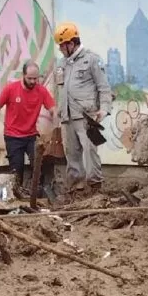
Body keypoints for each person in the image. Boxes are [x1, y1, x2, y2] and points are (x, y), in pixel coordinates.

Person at [54, 22, 112, 195]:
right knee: (71, 153)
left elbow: (104, 87)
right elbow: (61, 87)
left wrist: (104, 109)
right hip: (67, 115)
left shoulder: (92, 59)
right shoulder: (62, 63)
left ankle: (95, 188)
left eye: (62, 46)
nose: (61, 50)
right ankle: (76, 189)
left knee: (89, 152)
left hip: (86, 116)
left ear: (72, 43)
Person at [0, 61, 55, 197]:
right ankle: (16, 198)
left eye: (36, 78)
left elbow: (53, 109)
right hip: (13, 137)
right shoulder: (11, 89)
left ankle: (37, 196)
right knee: (17, 170)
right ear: (23, 75)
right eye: (30, 78)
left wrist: (58, 119)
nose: (33, 81)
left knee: (38, 165)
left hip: (31, 136)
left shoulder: (41, 91)